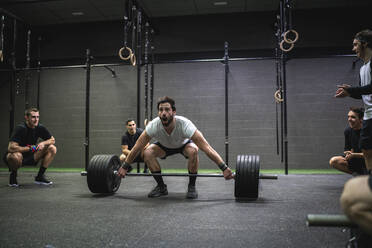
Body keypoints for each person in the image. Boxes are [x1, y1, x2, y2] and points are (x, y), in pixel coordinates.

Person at [117, 96, 234, 199]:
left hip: (183, 145)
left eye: (167, 110)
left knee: (193, 150)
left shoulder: (185, 124)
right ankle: (161, 187)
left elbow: (207, 147)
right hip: (163, 146)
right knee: (147, 152)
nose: (163, 113)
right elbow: (137, 147)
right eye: (161, 110)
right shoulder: (153, 125)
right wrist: (125, 166)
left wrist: (224, 168)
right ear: (158, 113)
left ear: (173, 112)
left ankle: (192, 186)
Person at [335, 29, 372, 235]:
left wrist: (353, 90)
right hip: (368, 114)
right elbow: (365, 95)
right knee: (367, 150)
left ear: (365, 43)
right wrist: (351, 93)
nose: (353, 48)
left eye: (356, 44)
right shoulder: (363, 67)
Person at [3, 107, 57, 187]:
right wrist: (30, 148)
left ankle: (39, 177)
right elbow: (11, 148)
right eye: (33, 117)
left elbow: (52, 140)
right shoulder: (21, 128)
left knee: (52, 148)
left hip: (31, 156)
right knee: (15, 156)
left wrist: (43, 143)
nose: (36, 120)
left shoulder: (39, 127)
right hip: (16, 158)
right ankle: (13, 176)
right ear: (26, 117)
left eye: (37, 117)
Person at [329, 107, 367, 175]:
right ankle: (357, 174)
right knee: (334, 161)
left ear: (361, 119)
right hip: (355, 160)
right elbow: (347, 149)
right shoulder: (348, 131)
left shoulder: (368, 131)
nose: (349, 119)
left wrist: (354, 155)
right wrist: (348, 153)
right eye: (348, 117)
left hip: (368, 160)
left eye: (353, 117)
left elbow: (369, 154)